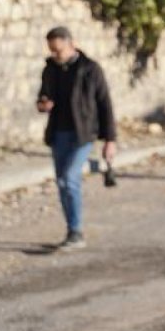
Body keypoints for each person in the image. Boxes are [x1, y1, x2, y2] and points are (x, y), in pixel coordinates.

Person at [36, 26, 117, 250]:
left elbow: (105, 104)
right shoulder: (50, 69)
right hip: (58, 133)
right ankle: (72, 229)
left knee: (69, 177)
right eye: (52, 51)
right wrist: (43, 104)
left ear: (70, 44)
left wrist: (110, 140)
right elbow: (43, 97)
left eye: (58, 50)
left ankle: (76, 232)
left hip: (83, 134)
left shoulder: (90, 69)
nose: (55, 55)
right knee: (62, 181)